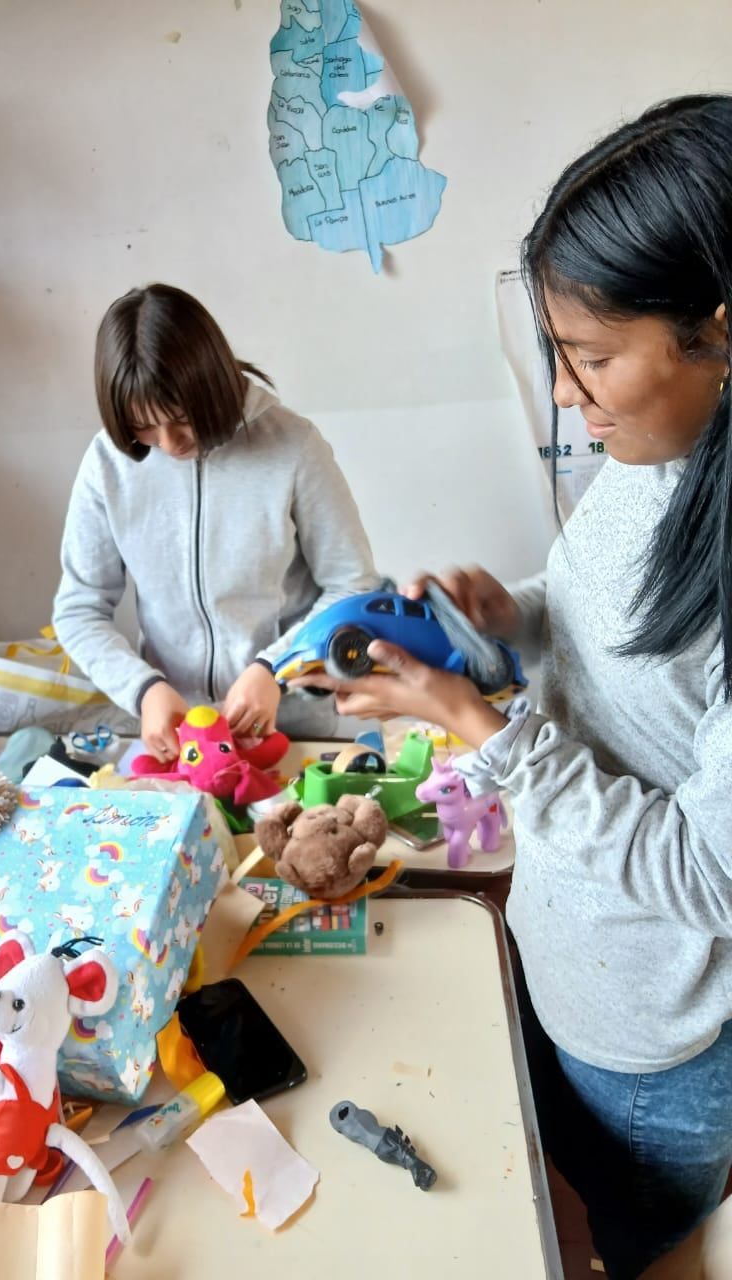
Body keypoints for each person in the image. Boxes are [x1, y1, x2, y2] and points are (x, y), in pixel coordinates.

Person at [294, 96, 732, 1280]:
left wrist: (481, 725)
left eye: (591, 358)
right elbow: (619, 631)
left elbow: (709, 877)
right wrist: (512, 617)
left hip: (654, 1036)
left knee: (628, 1248)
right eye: (559, 354)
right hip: (568, 961)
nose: (566, 397)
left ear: (720, 334)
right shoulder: (658, 457)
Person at [52, 283, 379, 758]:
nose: (169, 442)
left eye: (182, 417)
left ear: (210, 384)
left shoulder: (293, 445)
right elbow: (79, 608)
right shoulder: (108, 463)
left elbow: (354, 585)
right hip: (178, 737)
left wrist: (274, 667)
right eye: (144, 427)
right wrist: (143, 689)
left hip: (295, 728)